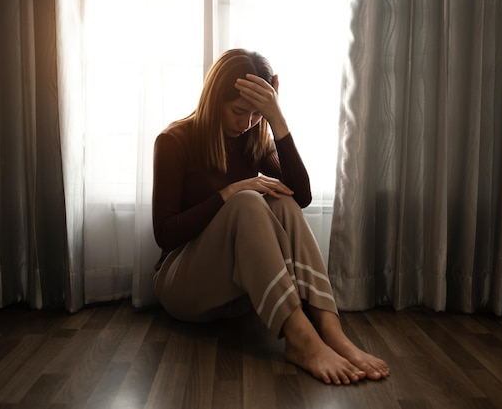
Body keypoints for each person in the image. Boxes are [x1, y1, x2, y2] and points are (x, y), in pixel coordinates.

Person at [152, 48, 389, 385]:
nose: (246, 123)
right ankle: (301, 340)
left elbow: (301, 196)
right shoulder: (174, 141)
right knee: (247, 200)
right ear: (214, 99)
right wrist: (229, 192)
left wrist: (276, 119)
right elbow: (165, 234)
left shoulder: (253, 139)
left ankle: (330, 329)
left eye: (256, 115)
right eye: (238, 112)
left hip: (235, 297)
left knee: (281, 199)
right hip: (182, 286)